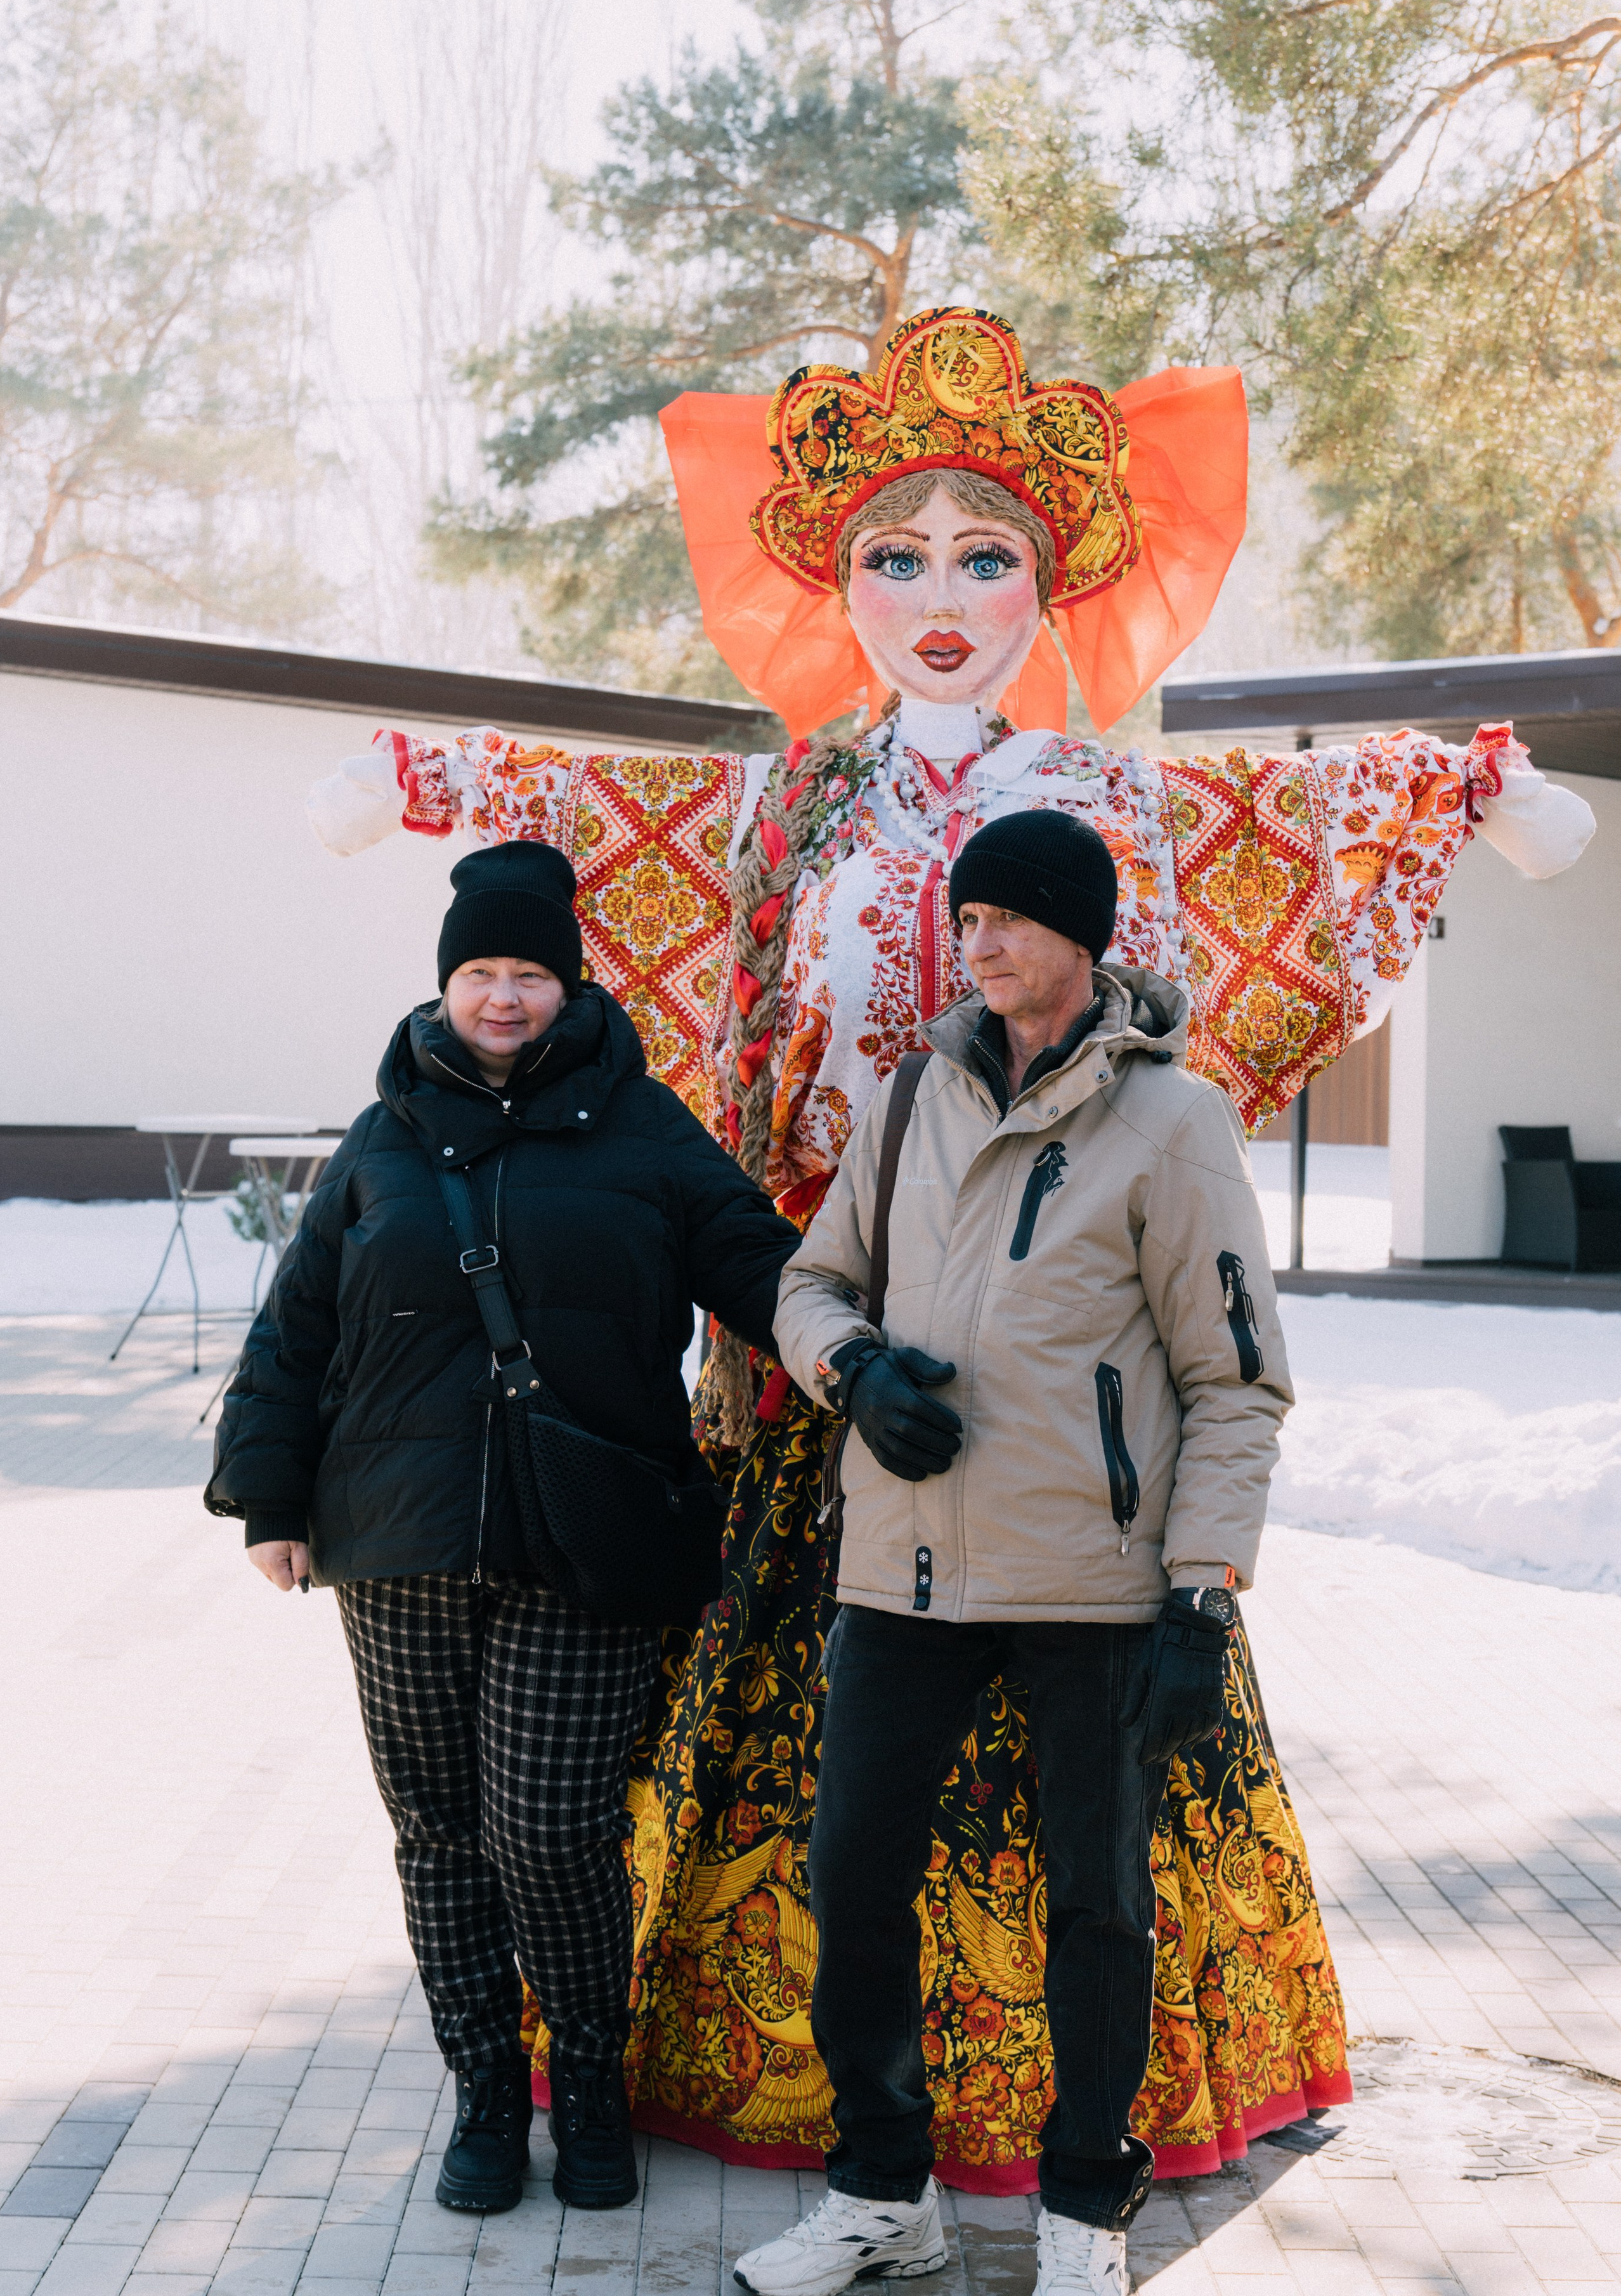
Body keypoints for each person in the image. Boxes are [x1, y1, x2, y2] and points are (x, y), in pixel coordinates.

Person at [304, 308, 1591, 2188]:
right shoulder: (790, 804)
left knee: (1075, 1757)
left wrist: (1473, 783)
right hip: (830, 1330)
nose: (938, 592)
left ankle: (1071, 2117)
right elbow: (610, 820)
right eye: (893, 556)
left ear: (1047, 584)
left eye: (985, 554)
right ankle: (798, 2096)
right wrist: (429, 781)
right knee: (827, 1756)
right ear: (838, 580)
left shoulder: (1106, 795)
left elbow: (1279, 818)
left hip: (1063, 1350)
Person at [739, 809, 1290, 2296]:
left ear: (1077, 937)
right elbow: (810, 1281)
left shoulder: (1173, 1124)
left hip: (1093, 1588)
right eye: (962, 917)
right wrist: (850, 1369)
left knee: (1095, 1904)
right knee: (853, 1878)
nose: (971, 942)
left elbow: (1234, 1379)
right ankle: (879, 2196)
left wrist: (1200, 1592)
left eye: (1003, 918)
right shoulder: (913, 1095)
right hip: (902, 1570)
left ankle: (1083, 2213)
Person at [205, 839, 800, 2216]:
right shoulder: (384, 1137)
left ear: (569, 982)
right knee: (437, 1832)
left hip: (585, 1535)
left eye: (529, 970)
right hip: (392, 1535)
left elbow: (758, 1263)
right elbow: (297, 1328)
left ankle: (584, 2082)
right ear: (445, 985)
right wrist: (270, 1499)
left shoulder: (644, 1126)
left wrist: (857, 1341)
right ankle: (483, 2093)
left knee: (549, 1832)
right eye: (480, 970)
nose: (504, 996)